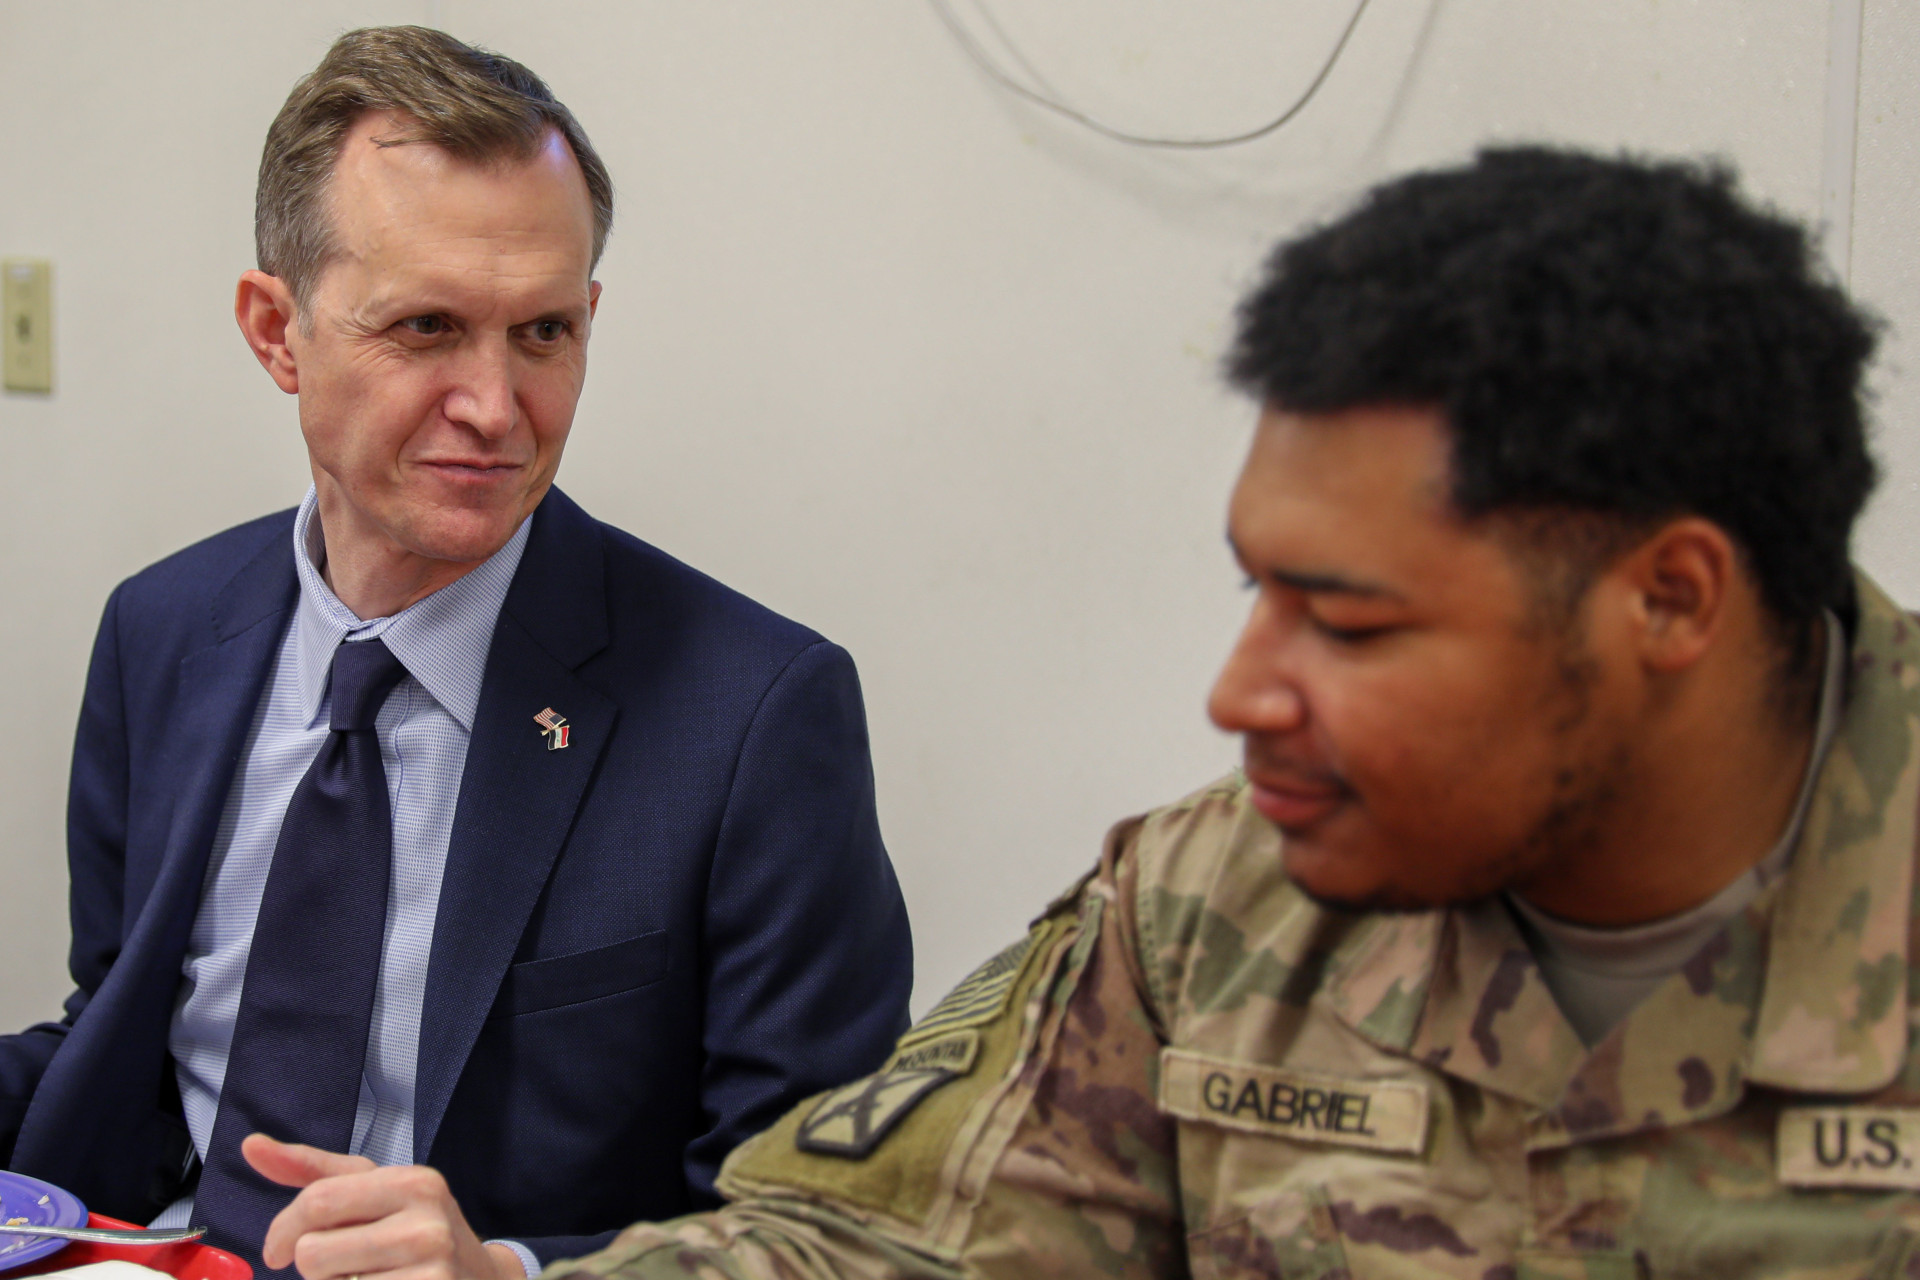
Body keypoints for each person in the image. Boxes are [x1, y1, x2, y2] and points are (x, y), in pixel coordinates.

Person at [538, 147, 1915, 1279]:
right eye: (1258, 591)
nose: (1240, 694)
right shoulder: (1218, 899)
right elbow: (876, 1245)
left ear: (1669, 601)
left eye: (1355, 623)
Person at [0, 25, 912, 1280]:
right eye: (427, 327)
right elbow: (129, 1042)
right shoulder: (162, 629)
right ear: (277, 332)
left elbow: (834, 1231)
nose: (495, 407)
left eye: (542, 333)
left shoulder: (754, 714)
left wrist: (513, 1278)